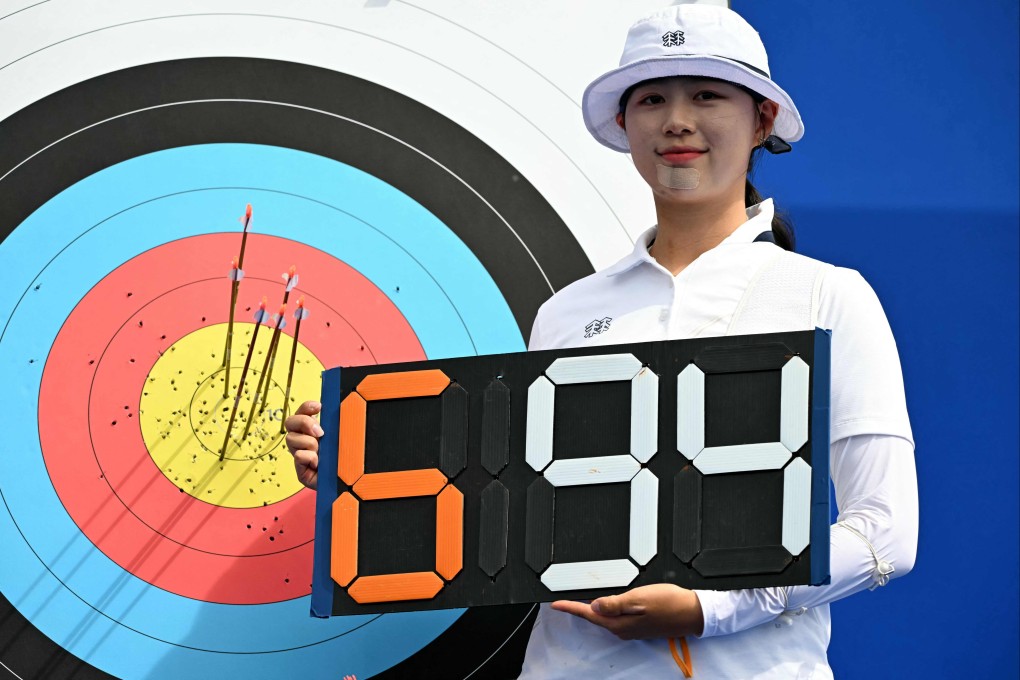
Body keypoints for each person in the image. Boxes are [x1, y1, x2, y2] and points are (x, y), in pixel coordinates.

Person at [286, 4, 917, 678]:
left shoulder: (829, 296)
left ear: (762, 118)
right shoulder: (565, 314)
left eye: (706, 93)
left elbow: (885, 530)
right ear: (624, 123)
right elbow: (511, 520)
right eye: (651, 98)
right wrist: (360, 475)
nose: (677, 119)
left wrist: (713, 607)